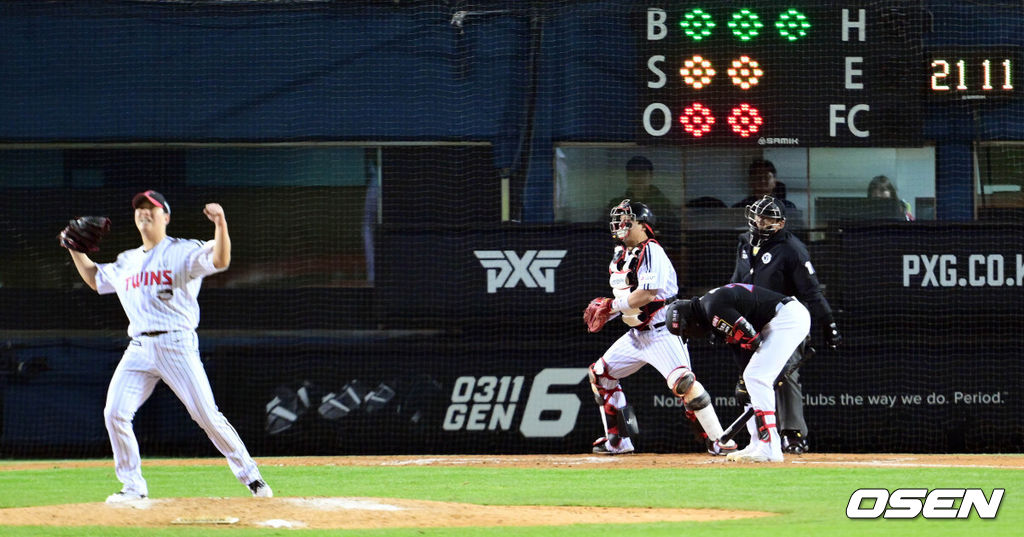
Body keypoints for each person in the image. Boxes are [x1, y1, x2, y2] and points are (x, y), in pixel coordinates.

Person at [62, 190, 272, 502]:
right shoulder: (127, 260)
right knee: (115, 413)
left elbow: (221, 259)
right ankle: (133, 487)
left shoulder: (183, 251)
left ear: (166, 217)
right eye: (140, 209)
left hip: (176, 342)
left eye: (152, 209)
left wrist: (221, 223)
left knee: (206, 415)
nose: (144, 213)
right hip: (139, 347)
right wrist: (74, 249)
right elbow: (96, 279)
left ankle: (253, 478)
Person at [583, 199, 735, 455]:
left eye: (626, 221)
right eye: (618, 221)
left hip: (662, 331)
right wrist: (609, 313)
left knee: (684, 384)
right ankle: (618, 441)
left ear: (643, 225)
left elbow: (648, 294)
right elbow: (628, 300)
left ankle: (719, 441)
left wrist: (611, 306)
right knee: (600, 375)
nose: (620, 226)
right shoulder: (620, 254)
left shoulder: (651, 250)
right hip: (636, 334)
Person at [729, 195, 841, 454]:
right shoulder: (744, 243)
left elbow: (811, 291)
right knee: (749, 378)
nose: (760, 221)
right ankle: (758, 438)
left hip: (787, 323)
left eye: (767, 217)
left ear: (780, 224)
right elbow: (736, 282)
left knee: (784, 373)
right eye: (758, 215)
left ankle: (793, 434)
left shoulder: (792, 249)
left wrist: (828, 323)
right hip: (753, 322)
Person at [665, 283, 811, 462]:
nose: (691, 335)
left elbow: (752, 338)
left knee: (756, 377)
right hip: (775, 322)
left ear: (690, 318)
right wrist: (744, 382)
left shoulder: (713, 308)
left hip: (787, 318)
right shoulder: (710, 311)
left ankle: (770, 446)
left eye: (687, 330)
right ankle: (757, 443)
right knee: (748, 384)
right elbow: (741, 348)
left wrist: (755, 377)